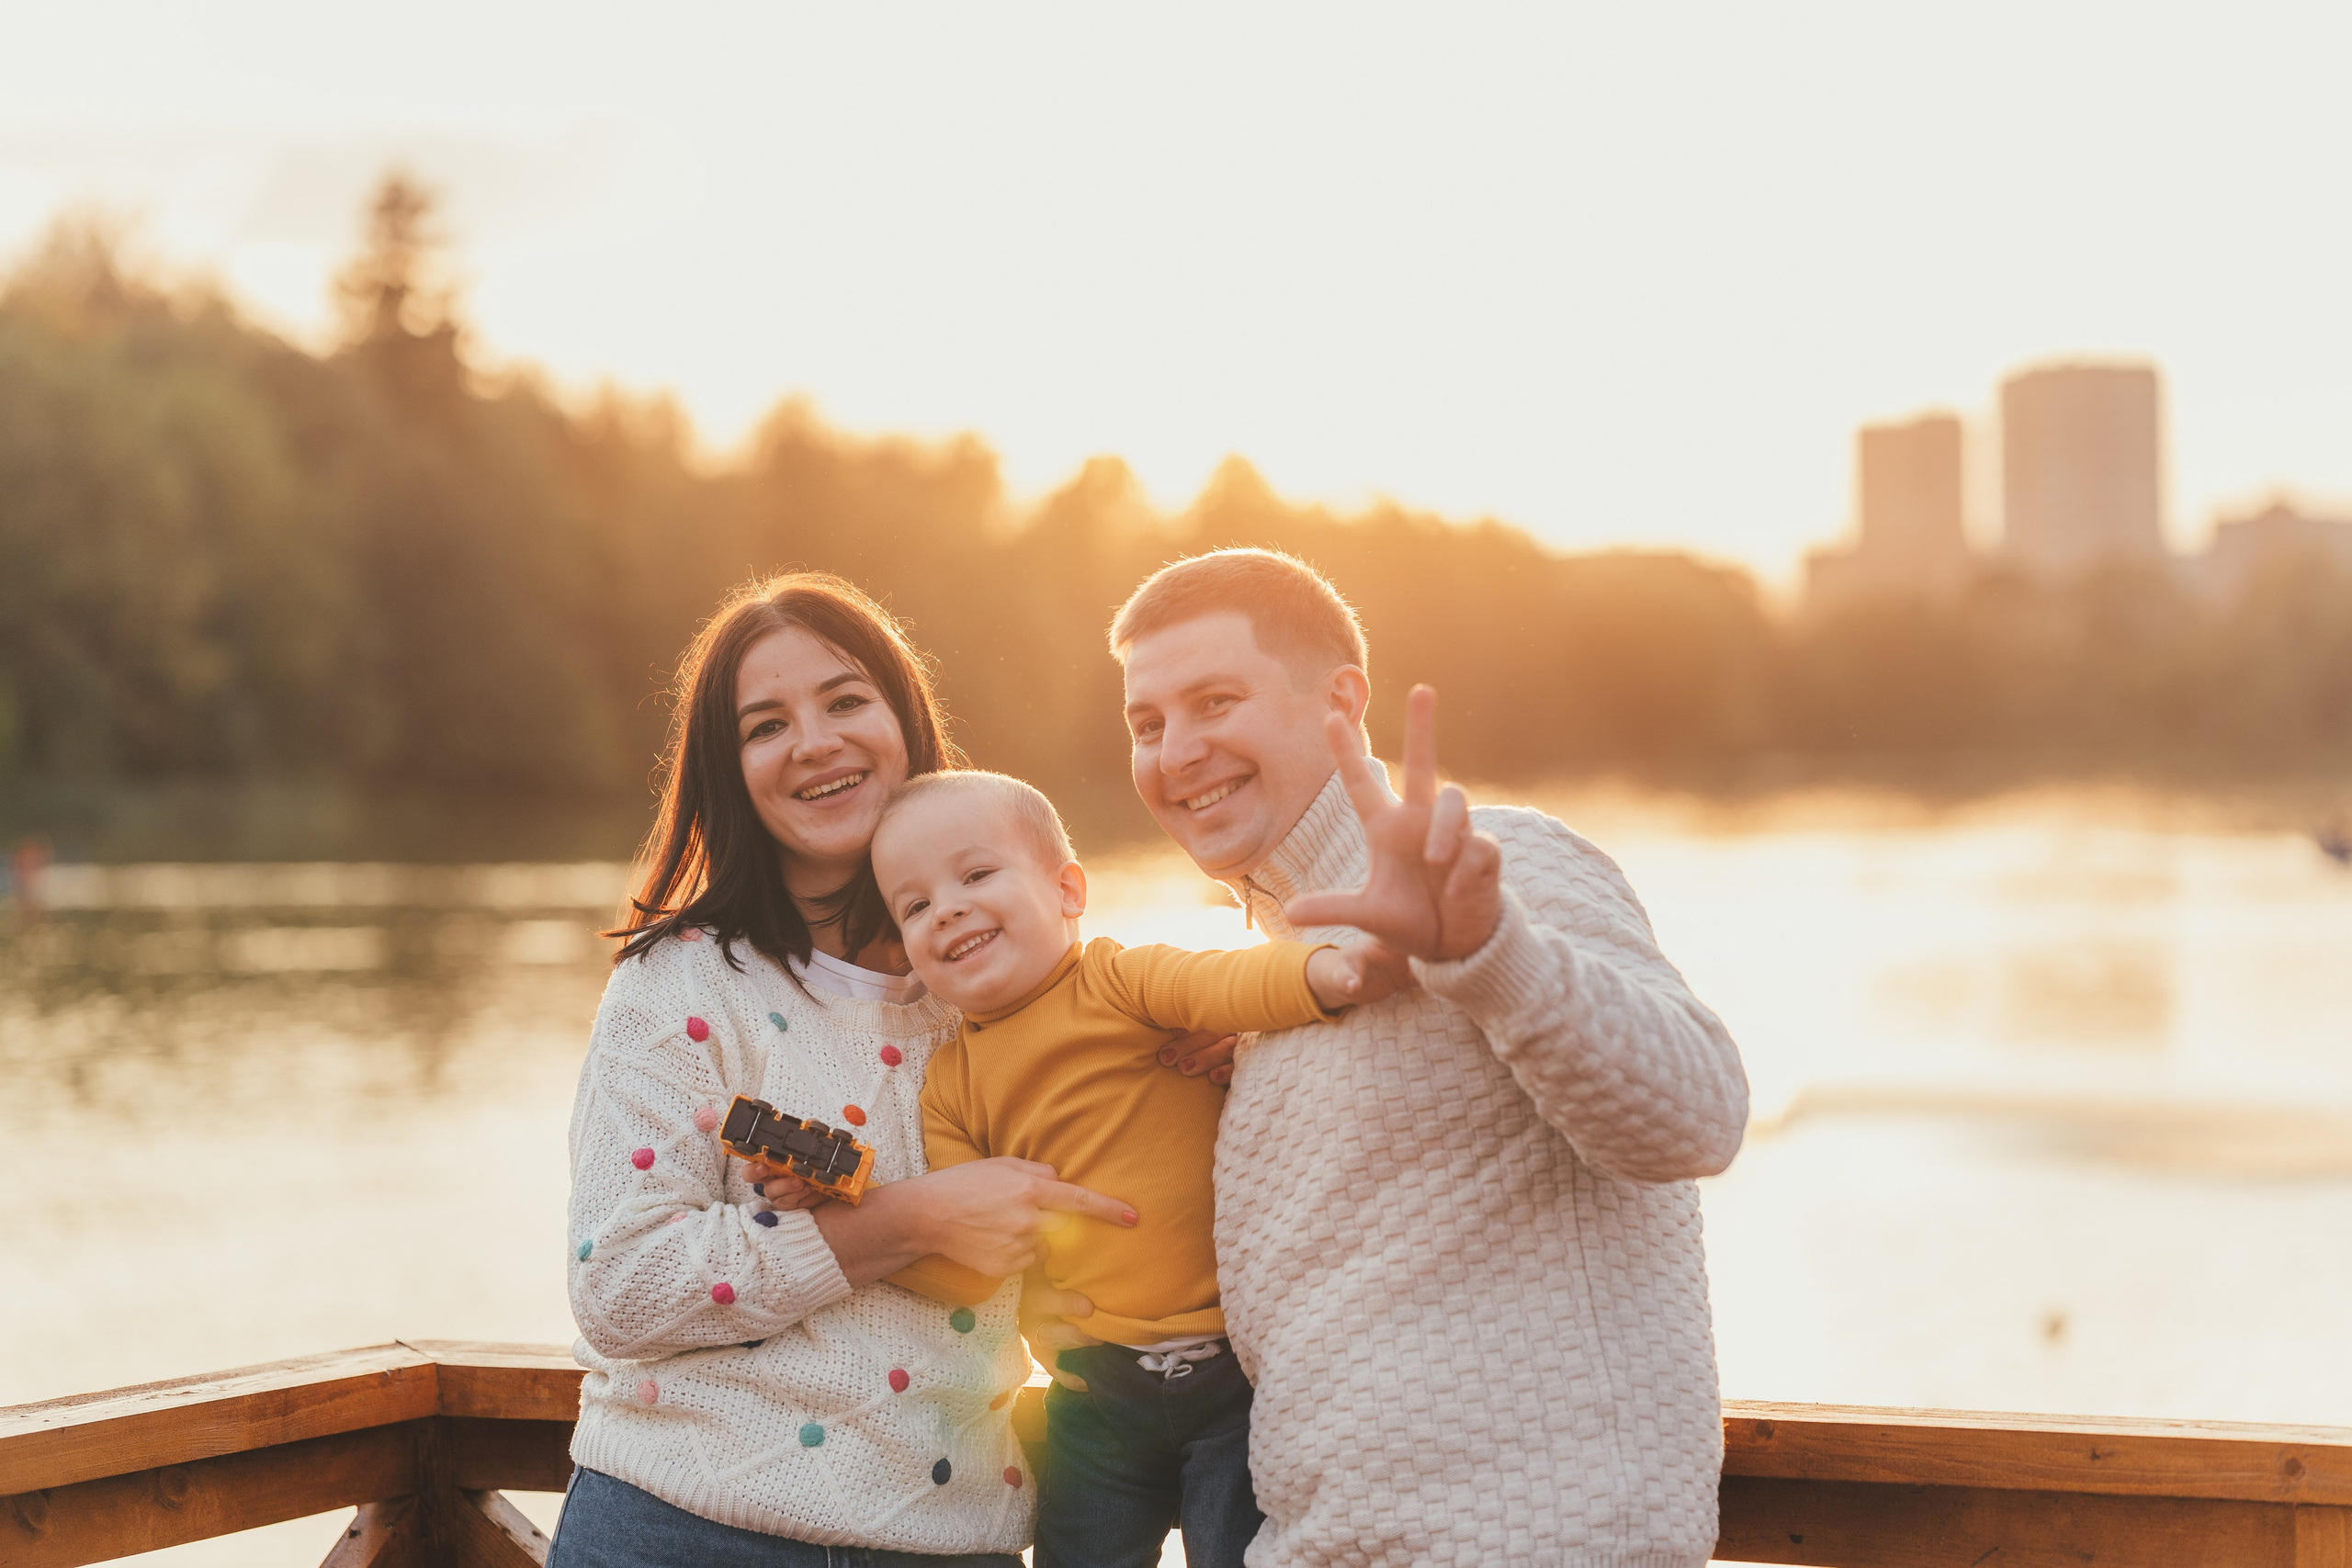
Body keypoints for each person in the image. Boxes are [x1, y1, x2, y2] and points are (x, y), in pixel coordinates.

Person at [1028, 547, 1750, 1568]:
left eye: (1214, 701)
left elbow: (1700, 1113)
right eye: (1147, 724)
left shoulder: (1492, 865)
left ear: (1342, 702)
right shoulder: (1273, 991)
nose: (1176, 751)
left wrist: (1486, 951)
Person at [552, 573, 1211, 1566]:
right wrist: (907, 1221)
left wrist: (1230, 1060)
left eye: (846, 700)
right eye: (766, 724)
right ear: (731, 771)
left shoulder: (1016, 980)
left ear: (904, 725)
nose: (816, 741)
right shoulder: (677, 984)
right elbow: (624, 1286)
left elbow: (1133, 1189)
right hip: (678, 1532)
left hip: (949, 1538)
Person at [868, 769, 1403, 1568]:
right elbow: (967, 1266)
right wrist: (855, 1209)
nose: (946, 907)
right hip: (1096, 1396)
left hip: (1234, 1377)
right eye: (915, 906)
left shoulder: (1119, 980)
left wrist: (1334, 973)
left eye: (977, 875)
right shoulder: (950, 1081)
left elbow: (1229, 982)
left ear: (1068, 891)